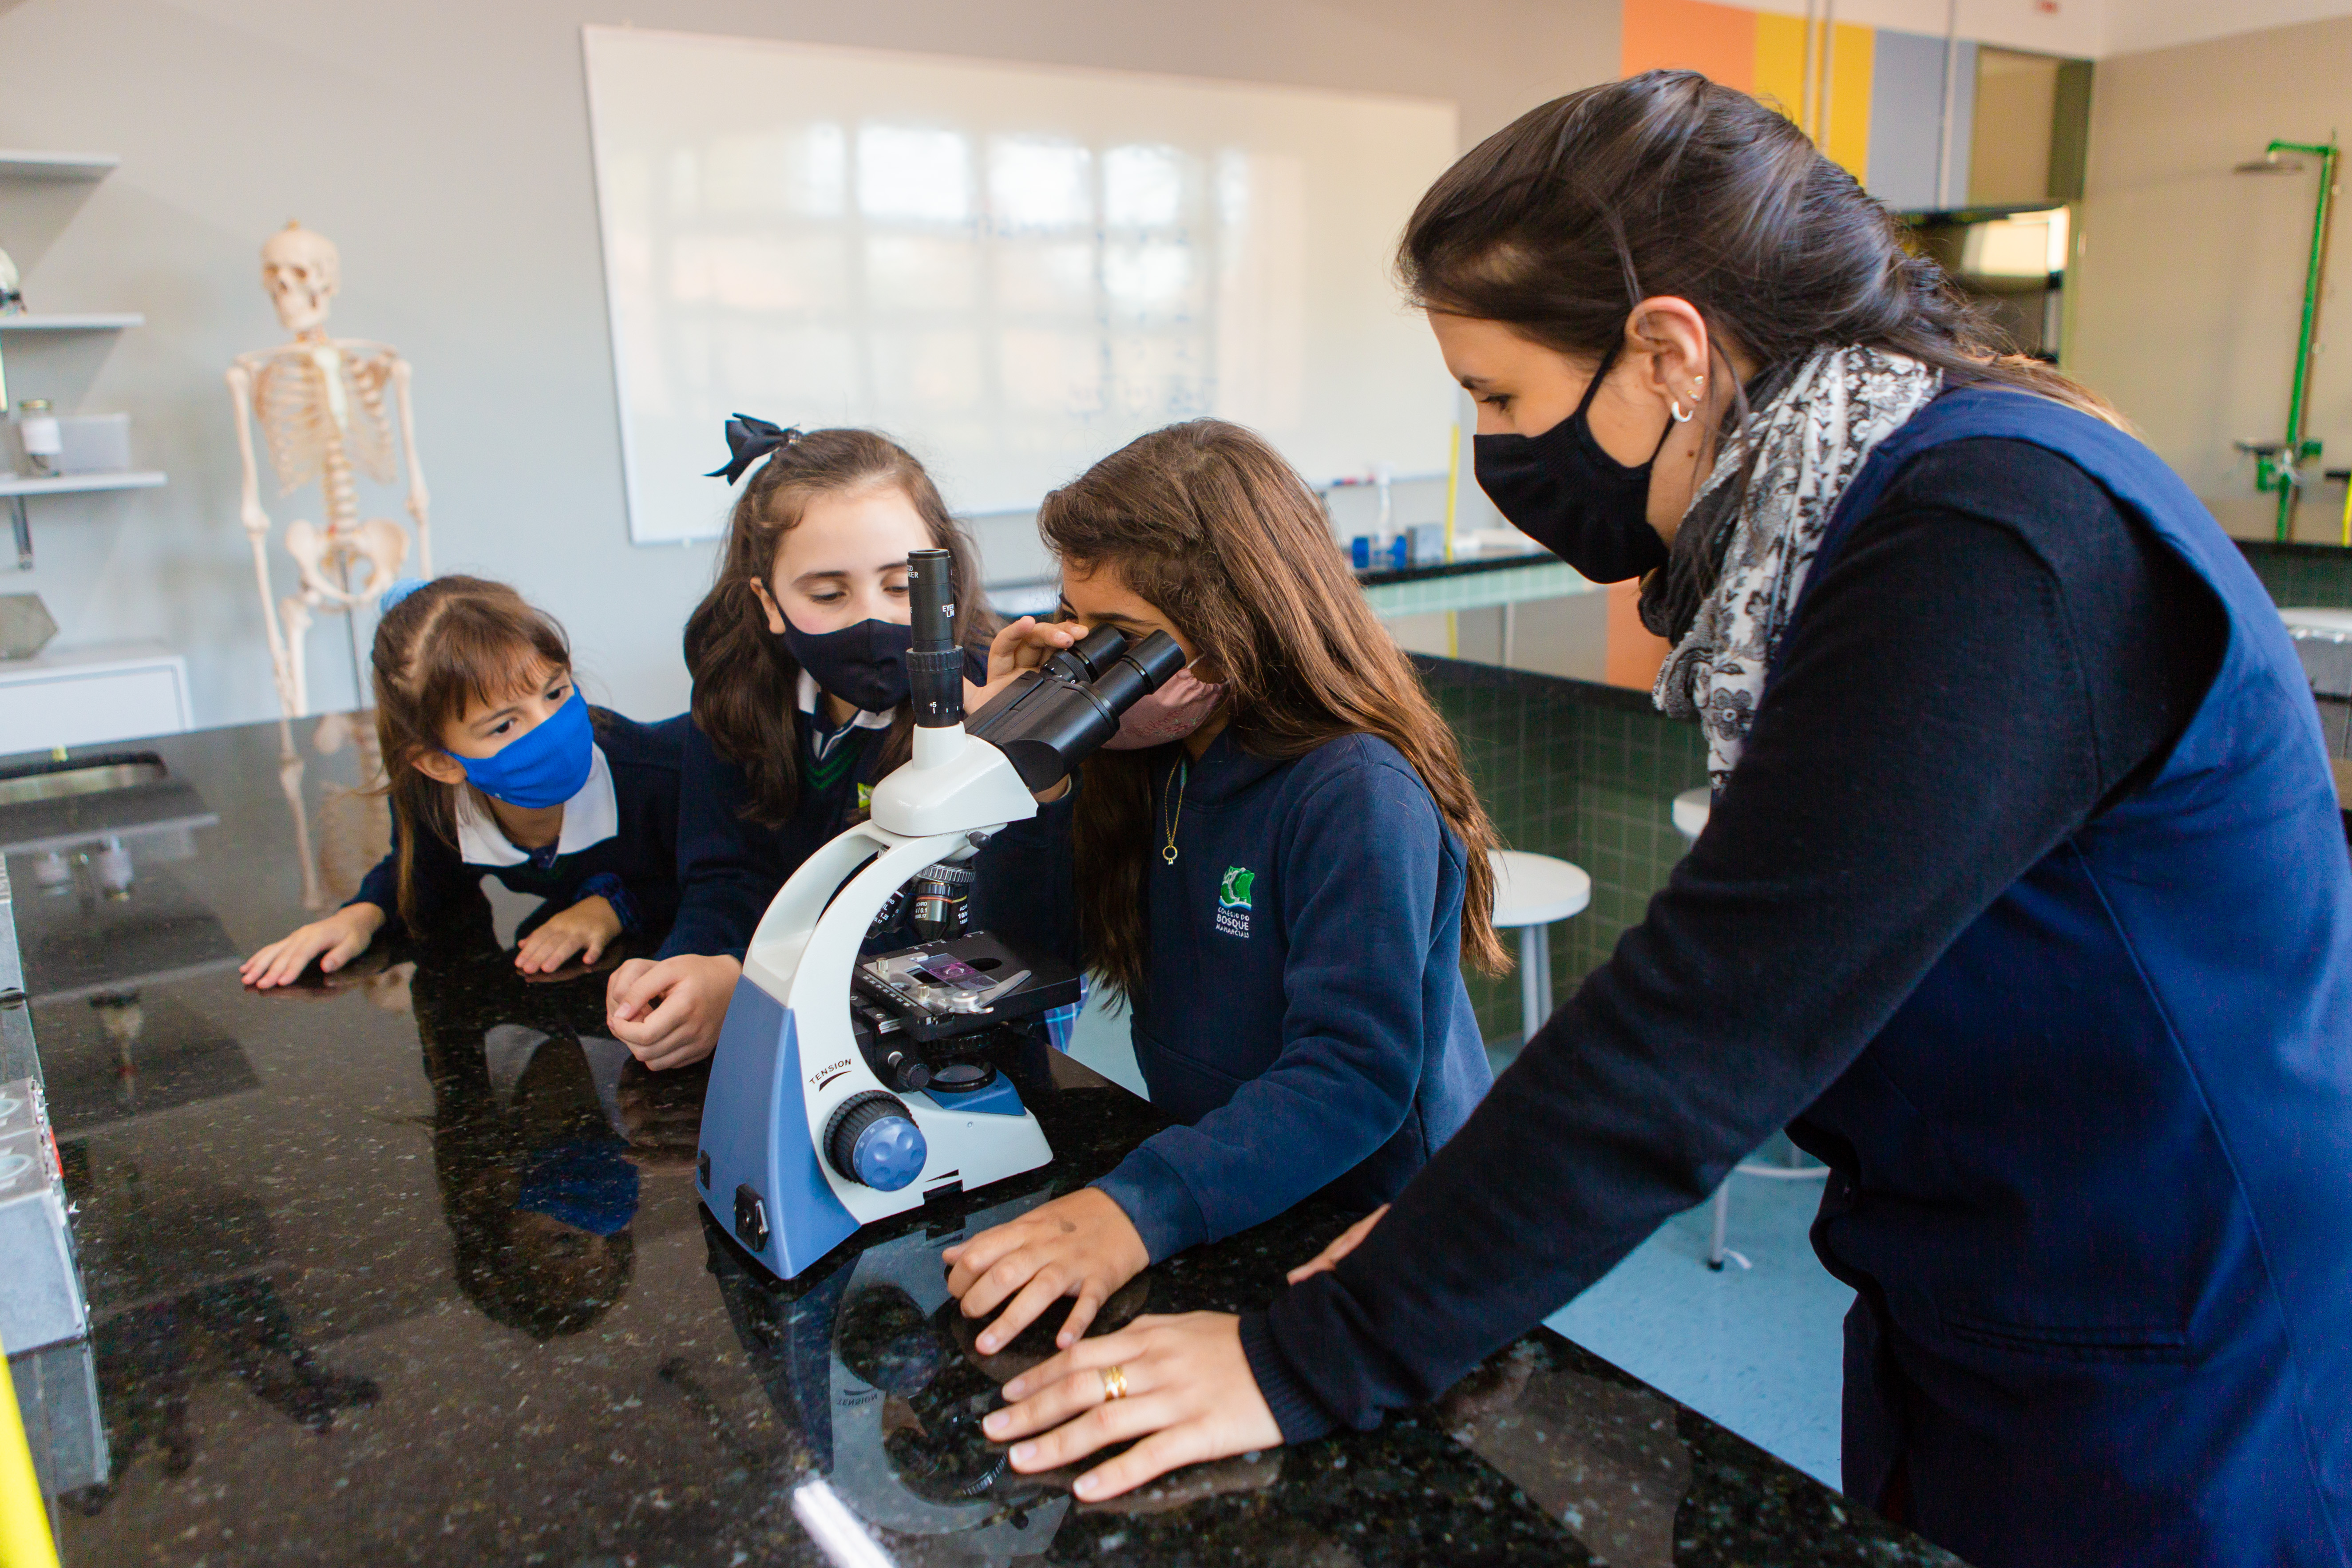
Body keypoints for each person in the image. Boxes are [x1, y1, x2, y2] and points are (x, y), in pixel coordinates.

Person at [976, 72, 2352, 1568]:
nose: (1498, 454)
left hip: (2162, 1329)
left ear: (1665, 353)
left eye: (1497, 398)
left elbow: (1711, 1017)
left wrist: (1300, 1353)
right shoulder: (1846, 519)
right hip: (1966, 1277)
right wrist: (1449, 1239)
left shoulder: (1986, 535)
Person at [938, 420, 1502, 1362]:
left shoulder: (1353, 789)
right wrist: (1025, 776)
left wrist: (1138, 1208)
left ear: (1222, 640)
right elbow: (1030, 959)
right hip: (1227, 1172)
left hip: (1372, 1216)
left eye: (1119, 641)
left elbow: (1352, 1076)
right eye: (1071, 619)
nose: (1081, 658)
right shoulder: (1154, 754)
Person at [603, 421, 996, 1070]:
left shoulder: (987, 702)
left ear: (946, 580)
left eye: (902, 587)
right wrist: (692, 966)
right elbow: (725, 874)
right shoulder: (735, 697)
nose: (871, 617)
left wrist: (749, 986)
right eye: (827, 593)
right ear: (769, 602)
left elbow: (965, 938)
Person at [241, 576, 685, 989]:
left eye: (556, 692)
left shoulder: (657, 774)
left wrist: (617, 907)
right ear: (439, 764)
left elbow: (728, 876)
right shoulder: (433, 797)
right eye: (504, 725)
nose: (550, 728)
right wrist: (363, 913)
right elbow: (425, 871)